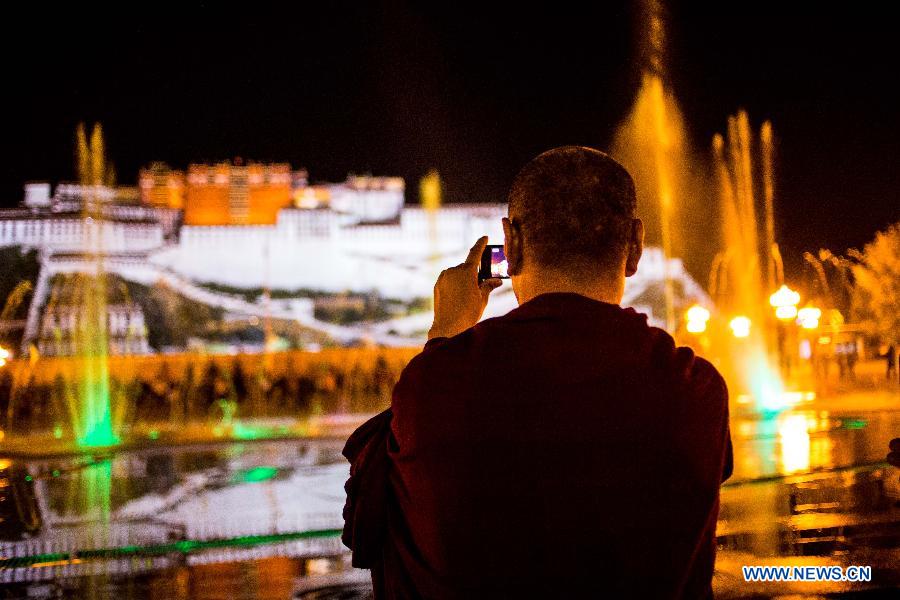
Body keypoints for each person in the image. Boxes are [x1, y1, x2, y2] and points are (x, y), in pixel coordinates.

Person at [342, 146, 733, 598]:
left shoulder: (436, 383)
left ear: (513, 243)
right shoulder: (698, 389)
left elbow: (376, 520)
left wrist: (445, 335)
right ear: (635, 245)